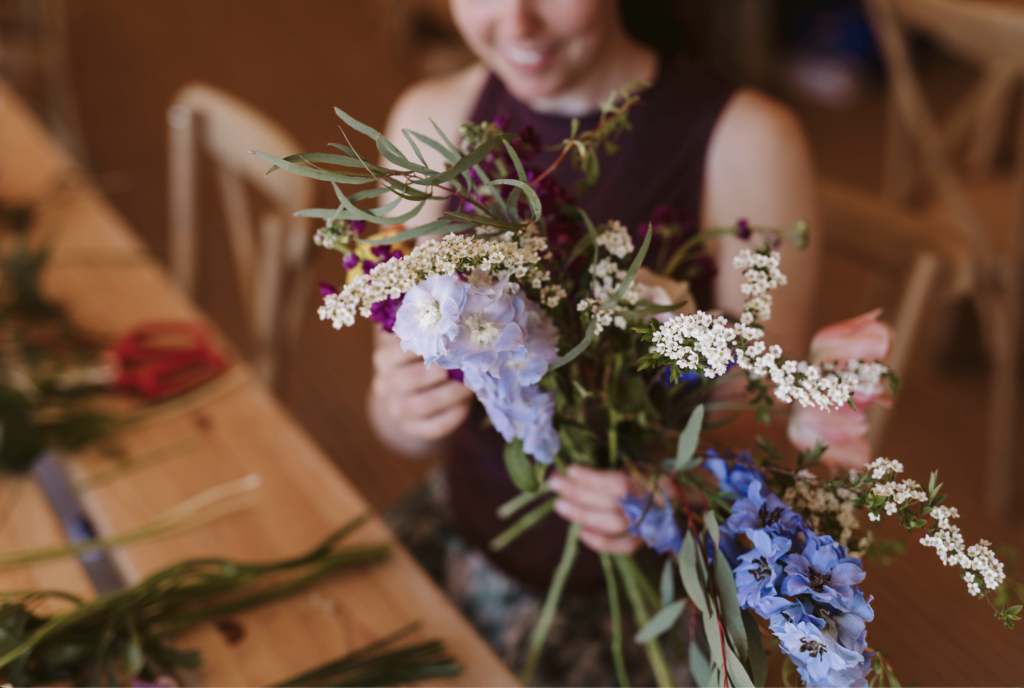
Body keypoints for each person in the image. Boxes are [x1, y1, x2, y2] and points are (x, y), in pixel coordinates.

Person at [370, 0, 821, 683]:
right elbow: (393, 408)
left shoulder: (747, 139)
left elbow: (768, 402)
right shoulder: (429, 119)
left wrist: (678, 487)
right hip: (466, 537)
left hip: (647, 592)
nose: (516, 24)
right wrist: (402, 410)